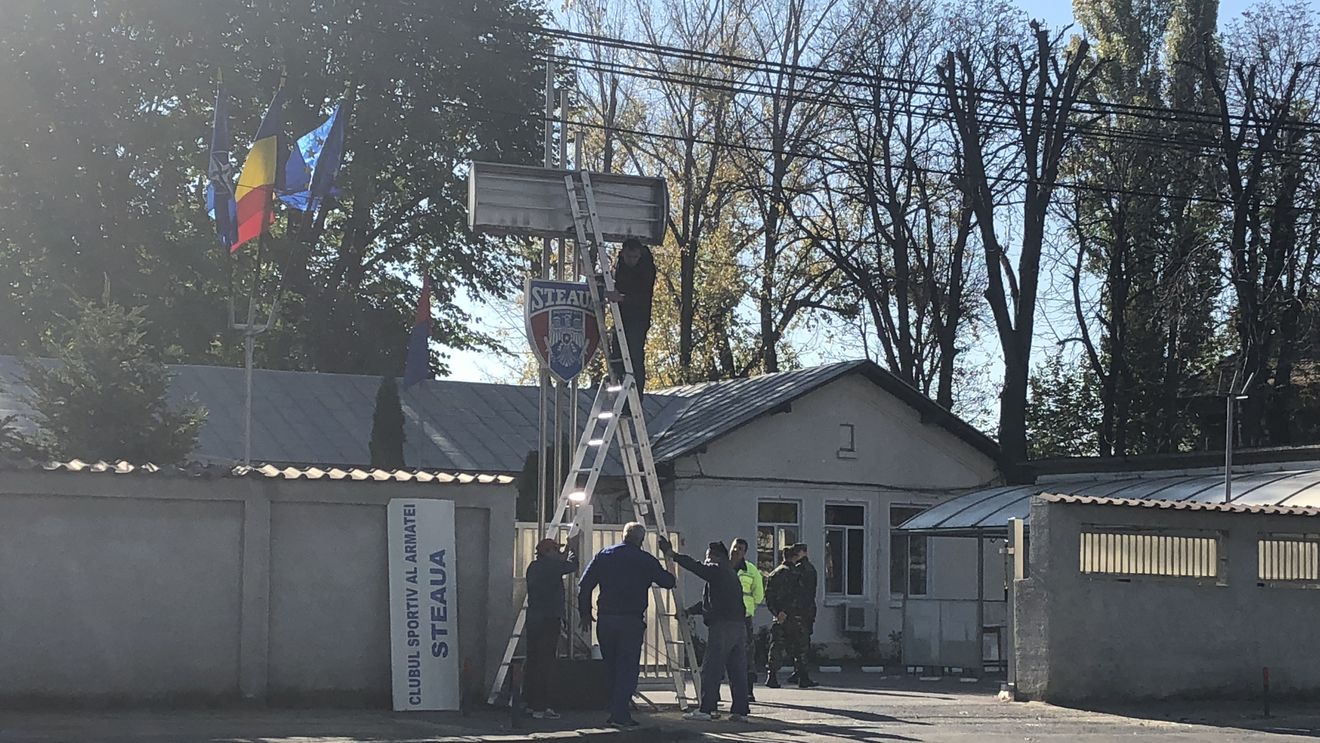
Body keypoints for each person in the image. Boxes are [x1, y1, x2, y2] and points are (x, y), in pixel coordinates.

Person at [577, 522, 676, 728]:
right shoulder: (645, 560)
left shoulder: (604, 555)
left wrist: (585, 613)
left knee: (611, 666)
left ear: (623, 536)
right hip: (630, 620)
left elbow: (584, 585)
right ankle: (620, 713)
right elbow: (668, 581)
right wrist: (667, 556)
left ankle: (613, 709)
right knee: (627, 668)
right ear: (641, 540)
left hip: (606, 619)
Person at [657, 536, 750, 723]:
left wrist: (672, 554)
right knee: (737, 670)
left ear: (715, 556)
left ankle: (707, 709)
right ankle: (740, 711)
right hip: (739, 628)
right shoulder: (730, 574)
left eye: (708, 557)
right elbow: (715, 602)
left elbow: (696, 566)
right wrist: (691, 611)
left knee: (711, 668)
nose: (707, 560)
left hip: (722, 627)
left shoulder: (717, 569)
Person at [523, 536, 578, 720]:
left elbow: (560, 562)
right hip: (548, 619)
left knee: (533, 660)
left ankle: (530, 704)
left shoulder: (533, 567)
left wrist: (564, 551)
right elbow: (572, 565)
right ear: (547, 552)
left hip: (533, 618)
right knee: (545, 663)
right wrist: (573, 549)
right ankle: (541, 706)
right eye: (555, 549)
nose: (557, 552)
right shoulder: (552, 567)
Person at [606, 238, 656, 399]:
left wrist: (621, 298)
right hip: (622, 317)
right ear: (623, 253)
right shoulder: (619, 265)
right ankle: (619, 393)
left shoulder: (646, 268)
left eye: (635, 257)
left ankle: (635, 399)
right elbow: (614, 279)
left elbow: (643, 296)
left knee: (634, 357)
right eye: (629, 257)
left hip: (638, 318)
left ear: (640, 254)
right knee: (617, 356)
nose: (632, 261)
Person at [763, 546, 806, 689]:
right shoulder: (796, 574)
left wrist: (777, 613)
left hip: (779, 617)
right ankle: (802, 676)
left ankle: (772, 676)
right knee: (799, 646)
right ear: (794, 557)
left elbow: (768, 596)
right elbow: (798, 596)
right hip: (793, 616)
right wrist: (787, 611)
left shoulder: (774, 574)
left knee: (776, 646)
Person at [729, 538, 764, 701]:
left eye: (740, 548)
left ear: (745, 552)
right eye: (735, 547)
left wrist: (750, 608)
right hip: (725, 618)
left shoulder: (751, 570)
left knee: (746, 655)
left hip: (744, 618)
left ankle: (748, 691)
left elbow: (758, 595)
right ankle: (718, 692)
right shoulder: (724, 567)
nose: (736, 550)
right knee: (722, 656)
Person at [789, 543, 820, 688]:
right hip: (805, 610)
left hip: (802, 610)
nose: (795, 555)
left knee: (801, 644)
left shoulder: (802, 569)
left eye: (798, 552)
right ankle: (799, 672)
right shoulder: (808, 568)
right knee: (800, 642)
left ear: (804, 552)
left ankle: (803, 675)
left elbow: (800, 591)